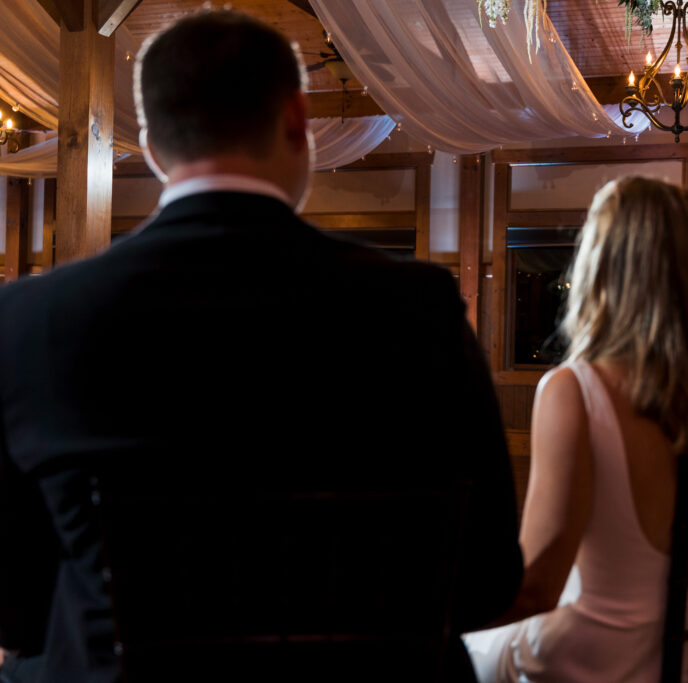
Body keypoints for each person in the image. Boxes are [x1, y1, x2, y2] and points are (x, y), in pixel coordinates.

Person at [0, 11, 521, 683]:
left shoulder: (32, 318)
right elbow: (485, 581)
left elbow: (15, 608)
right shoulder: (418, 309)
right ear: (298, 120)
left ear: (154, 147)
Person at [464, 176, 688, 682]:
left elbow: (536, 590)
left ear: (599, 263)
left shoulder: (574, 389)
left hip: (600, 660)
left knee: (468, 651)